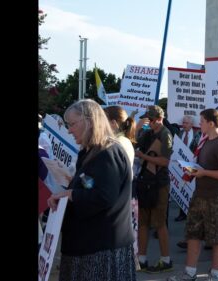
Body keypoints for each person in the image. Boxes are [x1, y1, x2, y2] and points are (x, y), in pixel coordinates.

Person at [47, 99, 136, 281]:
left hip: (100, 250)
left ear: (89, 121)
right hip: (88, 246)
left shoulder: (108, 153)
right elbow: (93, 186)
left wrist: (71, 194)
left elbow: (104, 196)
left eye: (72, 124)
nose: (69, 130)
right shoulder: (91, 151)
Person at [168, 108, 218, 281]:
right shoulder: (205, 142)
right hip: (201, 195)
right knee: (193, 233)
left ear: (211, 123)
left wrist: (205, 172)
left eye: (203, 121)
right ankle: (189, 273)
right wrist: (194, 170)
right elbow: (203, 168)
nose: (200, 124)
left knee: (217, 236)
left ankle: (215, 274)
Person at [135, 105, 174, 273]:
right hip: (145, 182)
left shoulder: (166, 134)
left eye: (150, 120)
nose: (147, 122)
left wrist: (143, 156)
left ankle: (166, 260)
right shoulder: (148, 133)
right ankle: (141, 260)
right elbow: (136, 144)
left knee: (159, 223)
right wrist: (136, 128)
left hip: (159, 183)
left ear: (159, 119)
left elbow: (165, 161)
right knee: (143, 222)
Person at [103, 105, 139, 270]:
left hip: (119, 199)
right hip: (122, 196)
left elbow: (113, 174)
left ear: (113, 123)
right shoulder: (121, 141)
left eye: (103, 120)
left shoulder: (118, 143)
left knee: (118, 250)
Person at [175, 115, 201, 222]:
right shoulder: (179, 134)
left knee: (191, 189)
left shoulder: (197, 135)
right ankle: (182, 213)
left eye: (186, 123)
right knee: (181, 188)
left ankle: (193, 213)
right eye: (183, 122)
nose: (183, 125)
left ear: (191, 124)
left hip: (191, 166)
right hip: (179, 165)